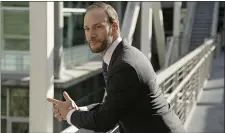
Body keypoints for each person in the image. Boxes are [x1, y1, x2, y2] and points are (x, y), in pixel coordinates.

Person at [47, 2, 186, 133]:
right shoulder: (117, 56)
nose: (91, 34)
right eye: (87, 28)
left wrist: (69, 114)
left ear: (114, 27)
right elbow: (112, 105)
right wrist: (78, 109)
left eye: (98, 26)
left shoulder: (124, 65)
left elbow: (104, 121)